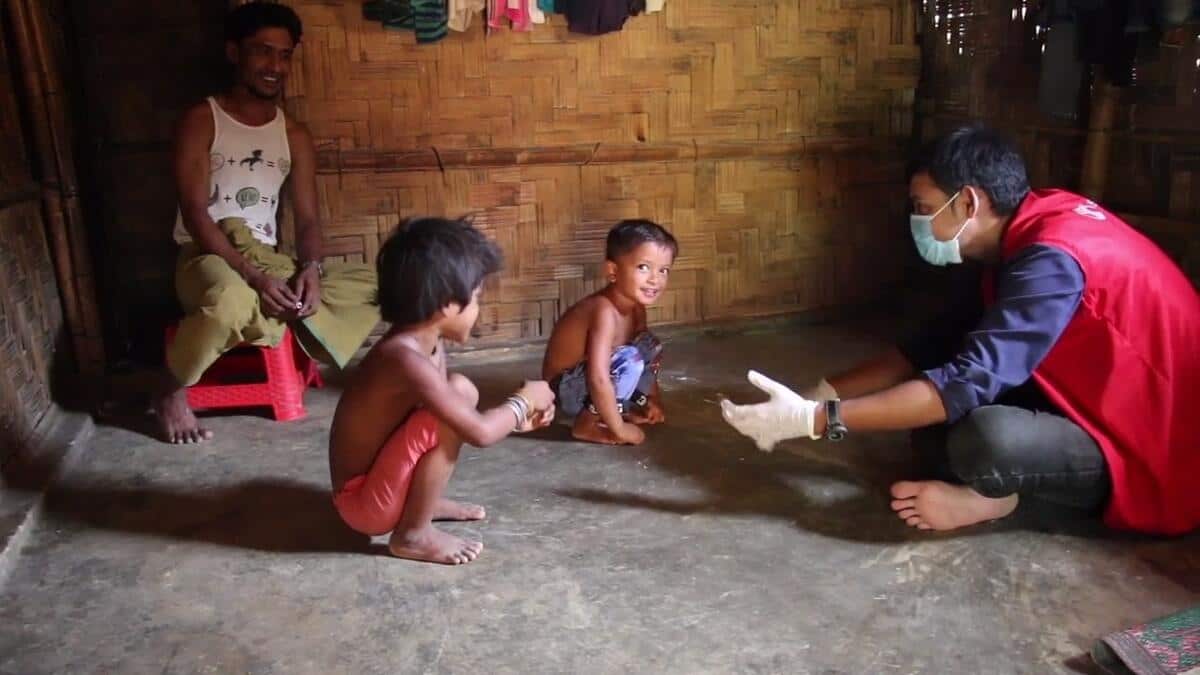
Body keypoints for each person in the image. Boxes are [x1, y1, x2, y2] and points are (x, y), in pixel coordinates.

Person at [721, 125, 1200, 536]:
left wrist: (814, 420)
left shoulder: (1051, 260)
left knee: (987, 441)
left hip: (1161, 452)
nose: (918, 220)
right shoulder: (1032, 226)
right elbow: (929, 344)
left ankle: (1007, 501)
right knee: (932, 432)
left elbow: (967, 382)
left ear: (968, 201)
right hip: (1101, 400)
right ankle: (997, 485)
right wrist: (814, 395)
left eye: (922, 205)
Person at [155, 2, 380, 443]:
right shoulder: (203, 119)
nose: (275, 66)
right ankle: (168, 390)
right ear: (234, 52)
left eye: (284, 55)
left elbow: (310, 220)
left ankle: (279, 315)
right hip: (210, 255)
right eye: (263, 52)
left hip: (269, 260)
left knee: (379, 284)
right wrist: (253, 275)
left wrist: (310, 270)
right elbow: (197, 214)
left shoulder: (293, 135)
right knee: (229, 305)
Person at [329, 217, 556, 565]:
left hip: (380, 486)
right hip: (363, 504)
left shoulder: (427, 343)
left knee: (459, 391)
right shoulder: (404, 358)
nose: (479, 309)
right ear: (445, 304)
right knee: (449, 415)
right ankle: (412, 534)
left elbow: (454, 412)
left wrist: (516, 419)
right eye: (476, 298)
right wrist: (522, 403)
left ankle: (418, 505)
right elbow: (477, 432)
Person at [542, 219, 676, 445]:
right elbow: (598, 377)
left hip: (597, 381)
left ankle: (617, 408)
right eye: (644, 267)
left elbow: (634, 363)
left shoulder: (636, 308)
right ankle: (587, 424)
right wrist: (620, 429)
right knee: (629, 359)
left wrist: (649, 400)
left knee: (648, 345)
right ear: (613, 270)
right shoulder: (603, 311)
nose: (655, 279)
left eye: (663, 270)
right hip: (568, 390)